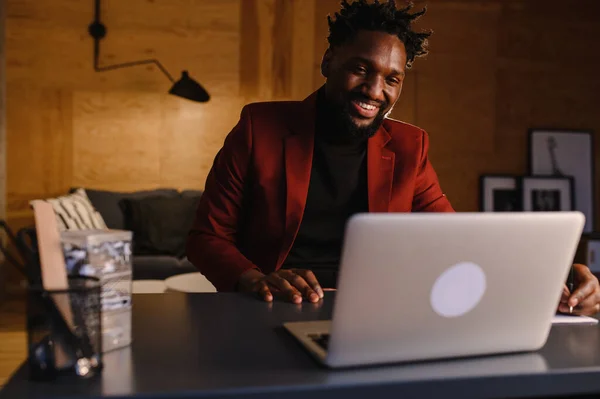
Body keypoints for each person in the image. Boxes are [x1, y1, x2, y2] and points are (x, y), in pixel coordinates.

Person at [186, 0, 600, 315]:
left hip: (376, 315)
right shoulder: (262, 127)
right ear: (329, 62)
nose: (374, 89)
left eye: (392, 79)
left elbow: (456, 241)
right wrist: (257, 280)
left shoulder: (408, 147)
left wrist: (555, 274)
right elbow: (207, 237)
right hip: (273, 308)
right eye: (361, 69)